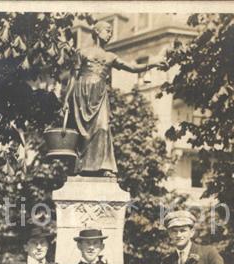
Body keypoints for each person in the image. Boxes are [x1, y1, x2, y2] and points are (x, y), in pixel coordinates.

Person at [62, 21, 166, 177]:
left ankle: (103, 166)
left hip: (99, 94)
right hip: (81, 93)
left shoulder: (110, 56)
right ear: (97, 32)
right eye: (107, 30)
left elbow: (131, 68)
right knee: (82, 131)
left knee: (103, 128)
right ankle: (79, 166)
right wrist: (65, 100)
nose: (109, 34)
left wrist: (152, 65)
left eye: (111, 31)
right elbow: (73, 78)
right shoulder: (82, 52)